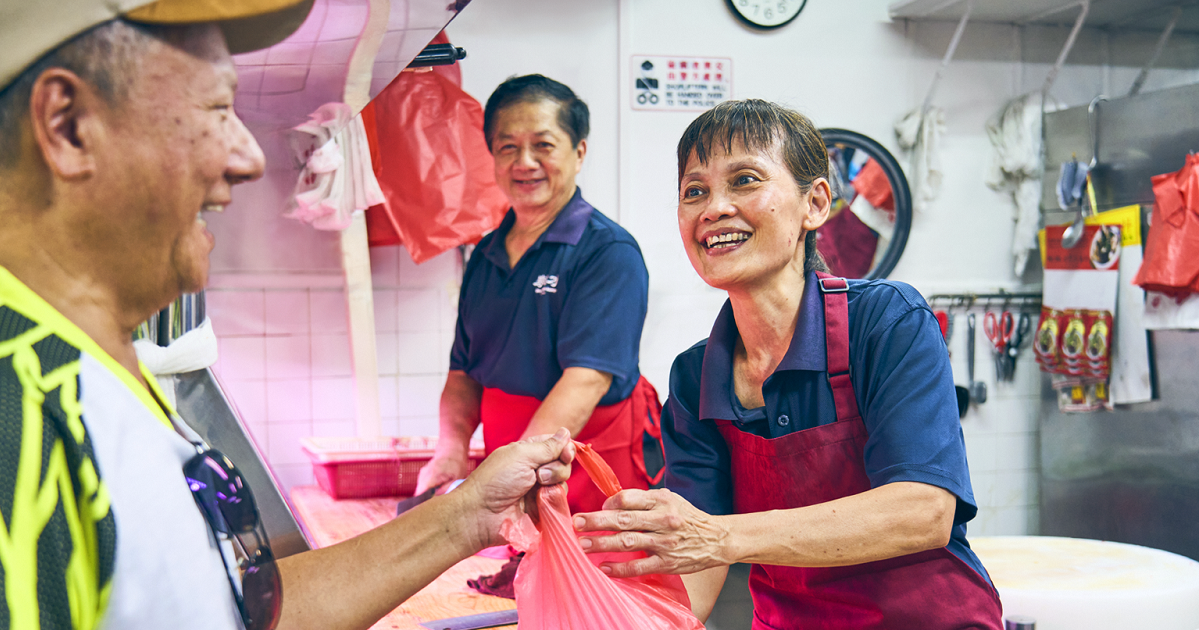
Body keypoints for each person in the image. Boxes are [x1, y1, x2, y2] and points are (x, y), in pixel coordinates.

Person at [0, 3, 575, 629]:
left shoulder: (92, 370)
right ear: (69, 125)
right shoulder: (18, 408)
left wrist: (468, 514)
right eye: (219, 111)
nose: (248, 159)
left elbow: (234, 613)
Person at [573, 100, 1004, 629]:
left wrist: (722, 535)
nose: (714, 208)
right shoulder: (695, 378)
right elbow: (695, 571)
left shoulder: (886, 322)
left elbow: (922, 511)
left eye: (745, 180)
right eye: (695, 191)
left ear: (815, 203)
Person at [415, 74, 661, 514]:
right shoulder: (486, 254)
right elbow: (463, 374)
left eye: (543, 145)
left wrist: (519, 471)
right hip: (511, 458)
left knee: (594, 574)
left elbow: (585, 381)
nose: (524, 162)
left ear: (579, 151)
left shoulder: (608, 252)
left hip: (584, 460)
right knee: (515, 574)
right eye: (507, 147)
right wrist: (451, 451)